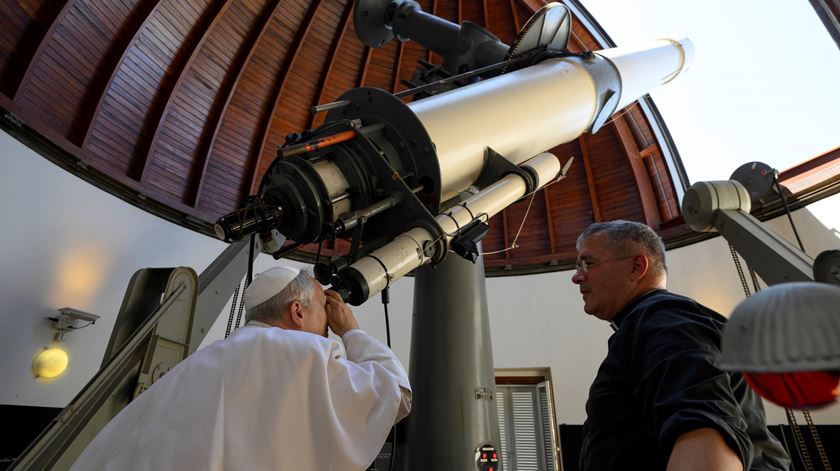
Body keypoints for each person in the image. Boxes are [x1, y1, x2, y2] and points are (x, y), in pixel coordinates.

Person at [71, 265, 411, 470]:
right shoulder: (305, 352)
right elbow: (396, 393)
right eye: (324, 308)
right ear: (298, 312)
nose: (329, 322)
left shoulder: (204, 360)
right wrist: (351, 329)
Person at [571, 220, 790, 470]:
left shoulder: (661, 319)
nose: (576, 277)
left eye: (588, 263)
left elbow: (703, 426)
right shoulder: (650, 324)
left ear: (636, 267)